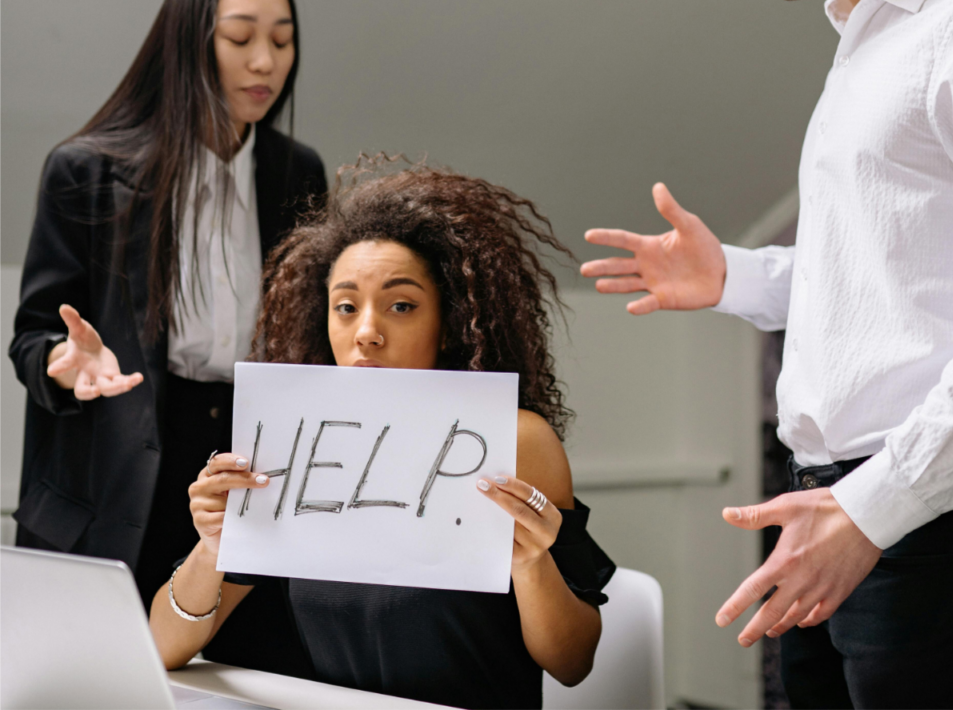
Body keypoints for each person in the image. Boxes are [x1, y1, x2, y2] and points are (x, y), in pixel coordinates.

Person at [581, 0, 953, 709]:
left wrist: (873, 509)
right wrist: (733, 278)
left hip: (926, 519)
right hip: (831, 501)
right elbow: (889, 281)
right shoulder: (864, 40)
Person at [150, 160, 614, 710]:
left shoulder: (516, 441)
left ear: (450, 322)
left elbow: (572, 664)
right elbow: (163, 649)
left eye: (401, 306)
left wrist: (533, 567)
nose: (366, 332)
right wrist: (212, 548)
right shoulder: (293, 440)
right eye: (345, 307)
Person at [10, 0, 327, 675]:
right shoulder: (86, 171)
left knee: (244, 680)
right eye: (241, 37)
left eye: (282, 41)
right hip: (116, 473)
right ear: (190, 41)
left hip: (239, 470)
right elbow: (31, 336)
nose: (265, 63)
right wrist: (63, 365)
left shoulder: (295, 171)